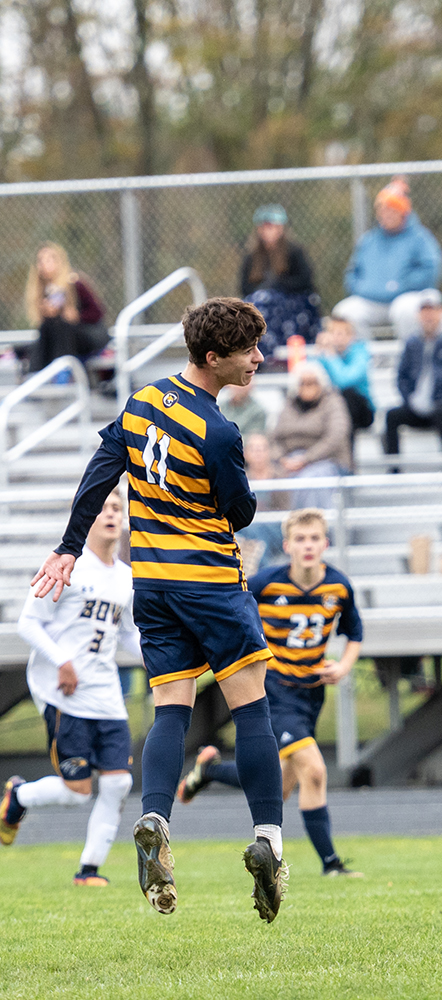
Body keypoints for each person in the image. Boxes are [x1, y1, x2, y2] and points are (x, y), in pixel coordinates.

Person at [30, 297, 287, 921]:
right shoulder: (220, 431)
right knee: (252, 708)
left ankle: (155, 818)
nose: (258, 358)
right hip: (212, 585)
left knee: (171, 707)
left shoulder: (142, 402)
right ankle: (269, 842)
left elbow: (100, 474)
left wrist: (68, 548)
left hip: (153, 588)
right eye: (248, 350)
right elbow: (240, 512)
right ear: (213, 357)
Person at [177, 508, 363, 878]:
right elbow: (232, 608)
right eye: (300, 539)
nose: (308, 546)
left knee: (277, 786)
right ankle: (331, 864)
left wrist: (342, 666)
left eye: (314, 539)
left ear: (325, 544)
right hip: (275, 691)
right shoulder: (265, 583)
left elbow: (354, 632)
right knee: (315, 770)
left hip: (311, 694)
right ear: (287, 545)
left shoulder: (339, 586)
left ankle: (209, 772)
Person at [3, 490, 136, 887]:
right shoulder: (66, 566)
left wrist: (161, 659)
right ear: (85, 517)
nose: (110, 515)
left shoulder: (126, 578)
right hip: (64, 694)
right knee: (77, 792)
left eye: (117, 508)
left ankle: (88, 870)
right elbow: (28, 623)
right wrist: (62, 661)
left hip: (106, 694)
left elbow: (128, 633)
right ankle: (19, 796)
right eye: (102, 508)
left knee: (119, 782)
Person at [333, 180, 442, 340]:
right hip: (371, 299)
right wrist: (363, 288)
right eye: (382, 210)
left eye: (392, 210)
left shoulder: (419, 237)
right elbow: (352, 272)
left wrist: (402, 285)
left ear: (403, 212)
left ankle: (409, 353)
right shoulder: (369, 240)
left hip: (407, 296)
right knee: (345, 311)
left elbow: (430, 268)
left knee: (404, 310)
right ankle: (366, 355)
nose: (386, 215)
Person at [384, 290, 442, 456]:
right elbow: (401, 377)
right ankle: (394, 468)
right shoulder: (412, 344)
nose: (428, 316)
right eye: (424, 311)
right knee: (392, 416)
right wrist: (409, 399)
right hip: (418, 407)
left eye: (432, 310)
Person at [239, 204, 320, 362]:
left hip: (292, 302)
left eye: (272, 226)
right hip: (261, 302)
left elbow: (305, 282)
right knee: (252, 307)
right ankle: (255, 353)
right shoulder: (252, 256)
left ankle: (270, 356)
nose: (269, 231)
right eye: (265, 227)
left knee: (266, 305)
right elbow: (245, 287)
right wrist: (263, 291)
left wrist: (278, 286)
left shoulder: (294, 251)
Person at [272, 362, 353, 508]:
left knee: (310, 480)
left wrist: (306, 459)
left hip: (326, 460)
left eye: (312, 382)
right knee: (270, 475)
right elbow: (274, 437)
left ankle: (312, 519)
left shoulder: (333, 402)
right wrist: (282, 459)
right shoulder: (289, 404)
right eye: (303, 383)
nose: (308, 387)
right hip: (289, 460)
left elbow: (336, 436)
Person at [24, 242, 108, 374]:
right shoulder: (42, 291)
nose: (44, 264)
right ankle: (36, 375)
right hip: (62, 338)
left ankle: (61, 376)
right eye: (40, 261)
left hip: (87, 335)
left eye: (49, 259)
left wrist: (77, 316)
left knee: (62, 327)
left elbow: (97, 312)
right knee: (47, 328)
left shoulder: (75, 283)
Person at [235, 433, 289, 574]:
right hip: (249, 528)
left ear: (269, 452)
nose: (258, 453)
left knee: (258, 530)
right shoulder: (241, 478)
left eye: (262, 449)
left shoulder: (280, 477)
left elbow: (285, 509)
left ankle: (258, 572)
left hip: (274, 528)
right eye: (254, 449)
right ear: (246, 453)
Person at [315, 316, 374, 432]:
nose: (336, 338)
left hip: (361, 410)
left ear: (351, 336)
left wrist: (331, 355)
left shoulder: (360, 353)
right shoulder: (324, 354)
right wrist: (318, 352)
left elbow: (344, 381)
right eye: (332, 333)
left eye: (340, 333)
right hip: (332, 406)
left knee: (347, 395)